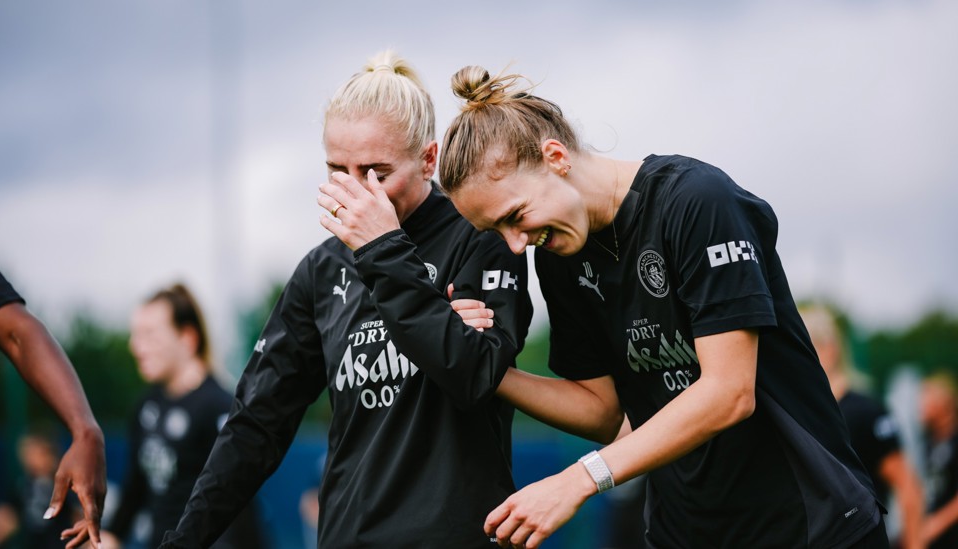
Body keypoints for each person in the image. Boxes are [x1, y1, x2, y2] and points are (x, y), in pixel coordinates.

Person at [434, 66, 889, 548]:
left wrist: (579, 479)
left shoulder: (696, 201)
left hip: (811, 528)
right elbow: (603, 412)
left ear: (556, 157)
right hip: (685, 533)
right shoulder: (561, 257)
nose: (515, 243)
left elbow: (729, 392)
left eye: (515, 216)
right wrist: (483, 366)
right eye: (497, 231)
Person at [158, 50, 532, 549]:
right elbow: (256, 424)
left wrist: (383, 250)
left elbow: (472, 374)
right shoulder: (321, 269)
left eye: (376, 172)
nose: (355, 192)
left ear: (428, 159)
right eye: (338, 169)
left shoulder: (479, 236)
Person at [103, 284, 263, 548]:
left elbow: (240, 506)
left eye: (149, 334)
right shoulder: (146, 406)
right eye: (136, 335)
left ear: (187, 338)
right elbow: (136, 487)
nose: (135, 346)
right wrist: (111, 535)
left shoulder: (219, 407)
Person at [0, 247, 106, 549]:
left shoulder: (55, 483)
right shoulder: (24, 487)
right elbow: (3, 521)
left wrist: (85, 430)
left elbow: (18, 332)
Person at [801, 304, 925, 549]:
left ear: (829, 348)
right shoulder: (803, 413)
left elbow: (908, 488)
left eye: (804, 346)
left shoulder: (865, 411)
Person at [0, 429, 82, 549]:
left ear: (49, 455)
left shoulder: (64, 482)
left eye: (33, 453)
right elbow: (9, 513)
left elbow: (77, 514)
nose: (27, 459)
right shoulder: (25, 486)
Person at [919, 371, 958, 548]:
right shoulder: (928, 443)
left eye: (927, 398)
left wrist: (935, 525)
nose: (920, 405)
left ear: (945, 402)